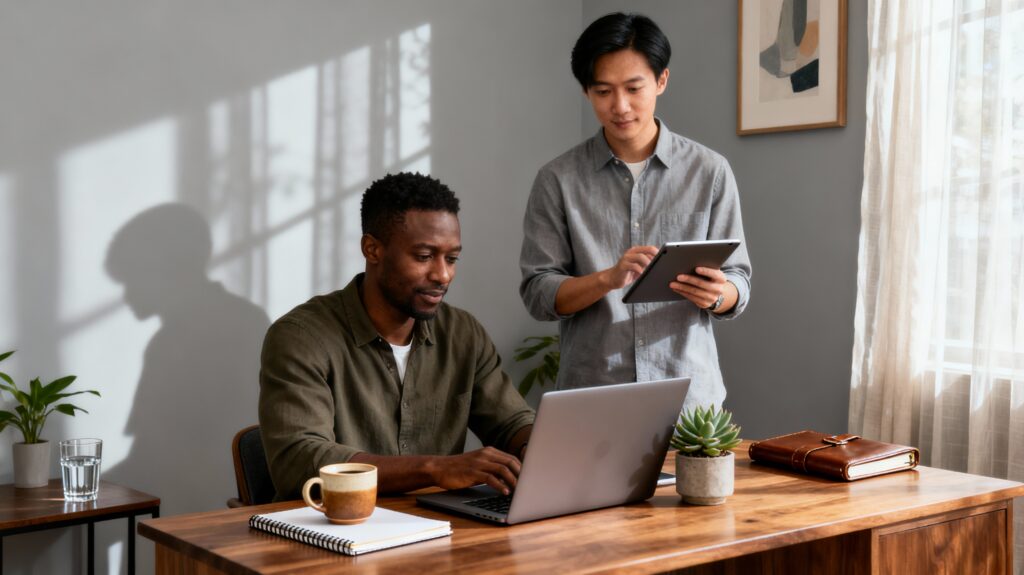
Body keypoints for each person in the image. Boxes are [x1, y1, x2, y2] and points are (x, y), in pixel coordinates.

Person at [519, 13, 751, 410]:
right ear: (586, 92)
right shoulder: (557, 180)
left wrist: (718, 295)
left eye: (633, 87)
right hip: (592, 398)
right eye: (603, 91)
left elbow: (739, 282)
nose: (620, 106)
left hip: (690, 399)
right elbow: (539, 294)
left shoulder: (710, 171)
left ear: (661, 81)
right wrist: (607, 279)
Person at [260, 172, 534, 500]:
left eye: (452, 258)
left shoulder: (463, 333)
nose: (443, 275)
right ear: (372, 249)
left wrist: (537, 446)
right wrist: (435, 470)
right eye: (423, 257)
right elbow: (299, 460)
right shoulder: (301, 338)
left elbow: (511, 421)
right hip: (332, 531)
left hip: (439, 531)